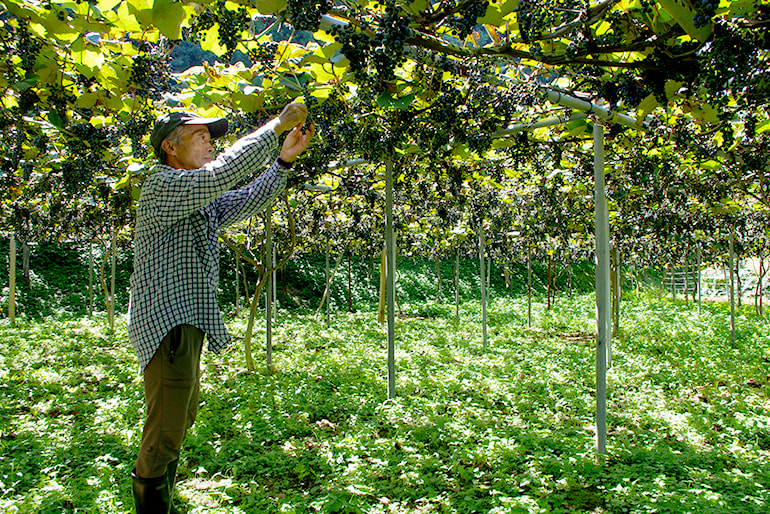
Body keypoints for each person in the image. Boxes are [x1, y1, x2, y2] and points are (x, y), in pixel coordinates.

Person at [128, 103, 314, 513]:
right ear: (170, 149)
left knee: (179, 418)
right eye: (201, 137)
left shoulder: (198, 197)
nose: (211, 144)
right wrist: (276, 126)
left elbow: (244, 199)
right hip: (168, 323)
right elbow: (226, 173)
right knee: (164, 431)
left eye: (212, 138)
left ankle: (162, 497)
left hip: (186, 323)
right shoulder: (163, 185)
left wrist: (283, 163)